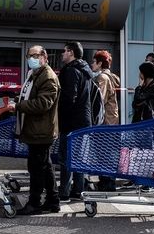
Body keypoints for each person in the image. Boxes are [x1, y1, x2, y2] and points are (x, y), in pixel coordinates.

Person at [9, 45, 60, 215]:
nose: (31, 58)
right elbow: (32, 96)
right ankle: (53, 201)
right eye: (29, 56)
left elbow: (43, 103)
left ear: (44, 56)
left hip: (41, 131)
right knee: (45, 167)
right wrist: (19, 99)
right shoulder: (34, 74)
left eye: (35, 55)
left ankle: (35, 203)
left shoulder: (47, 76)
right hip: (36, 129)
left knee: (37, 168)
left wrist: (18, 105)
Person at [58, 41, 94, 202]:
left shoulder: (71, 71)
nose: (62, 54)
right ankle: (78, 190)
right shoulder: (85, 71)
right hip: (83, 119)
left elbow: (68, 98)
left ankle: (64, 192)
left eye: (64, 51)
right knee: (78, 157)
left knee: (66, 157)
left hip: (71, 120)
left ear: (71, 53)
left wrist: (58, 115)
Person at [91, 50, 120, 191]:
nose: (91, 64)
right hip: (112, 121)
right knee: (109, 153)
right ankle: (108, 181)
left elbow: (99, 100)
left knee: (103, 153)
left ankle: (106, 183)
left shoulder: (102, 77)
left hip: (105, 122)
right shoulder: (112, 76)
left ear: (100, 63)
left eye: (93, 62)